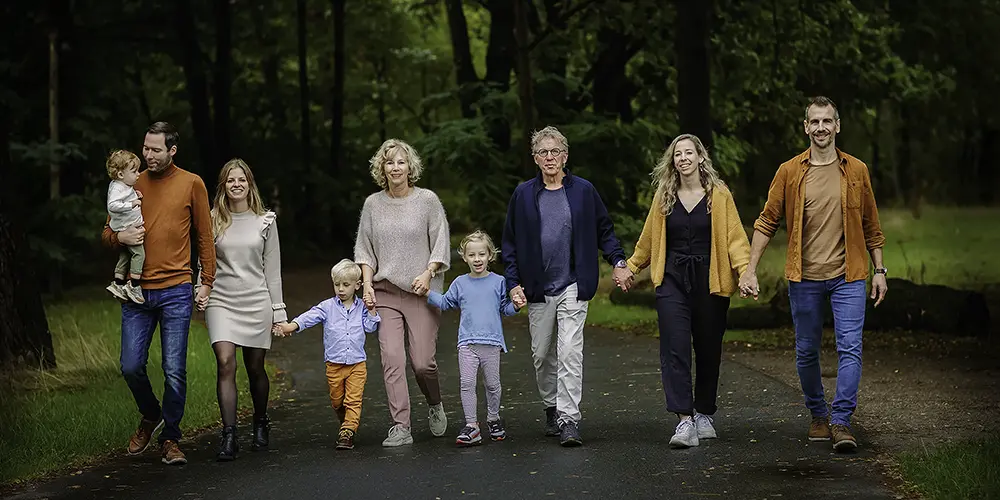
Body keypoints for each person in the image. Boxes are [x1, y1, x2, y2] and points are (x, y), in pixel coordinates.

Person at [739, 96, 887, 452]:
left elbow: (871, 224)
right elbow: (767, 221)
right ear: (806, 127)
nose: (821, 128)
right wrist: (750, 269)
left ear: (837, 126)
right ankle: (818, 415)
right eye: (814, 122)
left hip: (849, 276)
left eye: (827, 121)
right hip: (803, 277)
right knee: (806, 351)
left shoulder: (856, 171)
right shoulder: (789, 171)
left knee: (850, 348)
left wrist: (879, 269)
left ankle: (841, 422)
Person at [501, 125, 631, 447]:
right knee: (542, 354)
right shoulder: (523, 195)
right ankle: (551, 407)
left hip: (574, 283)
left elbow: (605, 229)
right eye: (543, 152)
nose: (550, 157)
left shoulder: (583, 191)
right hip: (537, 287)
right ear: (535, 158)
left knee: (570, 351)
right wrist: (513, 282)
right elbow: (511, 244)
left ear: (565, 155)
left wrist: (617, 260)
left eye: (555, 151)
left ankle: (569, 418)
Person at [620, 134, 751, 448]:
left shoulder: (719, 195)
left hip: (711, 280)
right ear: (672, 161)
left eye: (688, 152)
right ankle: (684, 421)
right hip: (673, 280)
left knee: (708, 349)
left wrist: (746, 272)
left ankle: (704, 412)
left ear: (700, 157)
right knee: (674, 348)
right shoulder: (665, 195)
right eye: (677, 154)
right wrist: (631, 267)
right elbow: (649, 239)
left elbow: (735, 240)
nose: (683, 158)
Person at [100, 121, 216, 465]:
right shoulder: (129, 182)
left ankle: (171, 439)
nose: (147, 156)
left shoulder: (191, 183)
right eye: (145, 148)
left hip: (176, 290)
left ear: (172, 150)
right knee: (131, 366)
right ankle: (151, 415)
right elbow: (107, 232)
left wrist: (206, 279)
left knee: (174, 369)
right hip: (135, 294)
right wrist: (119, 239)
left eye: (154, 150)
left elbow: (204, 236)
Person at [354, 138, 451, 447]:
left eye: (400, 162)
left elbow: (440, 244)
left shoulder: (427, 201)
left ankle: (434, 403)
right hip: (384, 293)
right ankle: (401, 426)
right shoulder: (373, 204)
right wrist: (367, 284)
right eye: (389, 162)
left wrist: (428, 273)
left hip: (420, 292)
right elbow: (364, 250)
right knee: (392, 359)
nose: (395, 167)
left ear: (411, 167)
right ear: (381, 168)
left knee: (422, 362)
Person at [197, 158, 286, 461]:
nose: (237, 185)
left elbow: (272, 270)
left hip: (256, 300)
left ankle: (260, 422)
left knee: (255, 367)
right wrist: (201, 288)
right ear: (223, 185)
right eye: (231, 180)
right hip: (221, 299)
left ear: (250, 184)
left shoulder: (266, 221)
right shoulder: (211, 220)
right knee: (225, 363)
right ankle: (229, 435)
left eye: (242, 180)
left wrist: (279, 312)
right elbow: (204, 261)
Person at [423, 230, 520, 446]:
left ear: (490, 256)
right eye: (472, 255)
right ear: (465, 257)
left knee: (493, 385)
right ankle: (472, 425)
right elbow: (447, 302)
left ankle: (493, 419)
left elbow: (505, 308)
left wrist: (515, 306)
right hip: (467, 343)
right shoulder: (460, 283)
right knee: (467, 383)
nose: (477, 259)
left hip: (492, 343)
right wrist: (426, 293)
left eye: (482, 254)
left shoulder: (499, 282)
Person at [275, 259, 380, 450]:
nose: (341, 289)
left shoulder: (362, 307)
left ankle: (348, 431)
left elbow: (371, 328)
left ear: (357, 286)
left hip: (357, 364)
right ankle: (346, 423)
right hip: (334, 365)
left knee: (353, 400)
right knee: (337, 401)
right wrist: (292, 326)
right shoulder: (327, 307)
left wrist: (372, 311)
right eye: (337, 284)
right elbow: (309, 317)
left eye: (346, 285)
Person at [104, 149, 146, 304]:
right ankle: (134, 285)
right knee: (139, 255)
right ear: (121, 174)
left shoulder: (124, 186)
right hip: (127, 228)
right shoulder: (117, 187)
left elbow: (126, 195)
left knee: (125, 255)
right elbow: (113, 205)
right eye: (134, 171)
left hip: (127, 226)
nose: (138, 174)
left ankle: (118, 282)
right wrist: (132, 203)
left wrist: (136, 195)